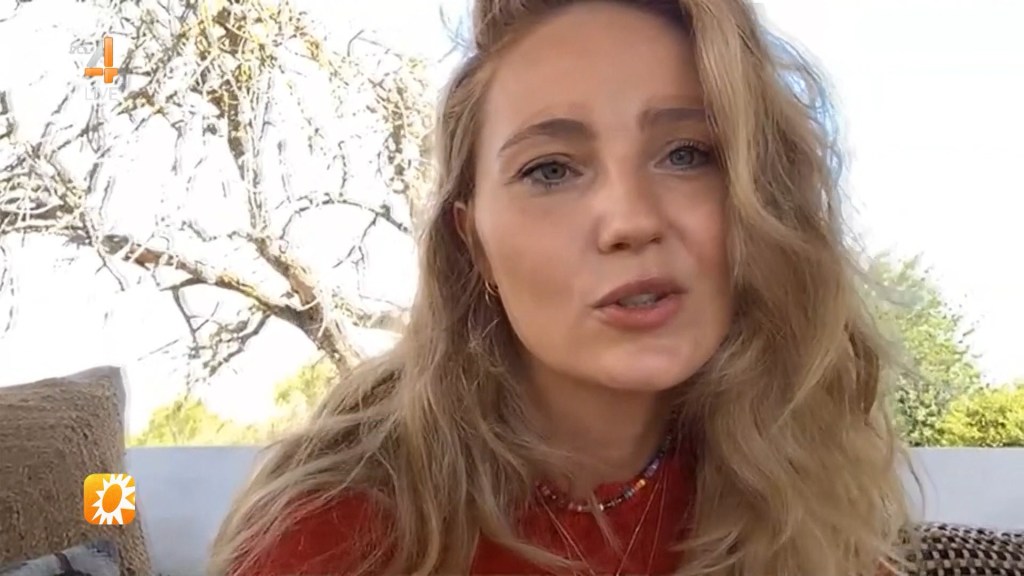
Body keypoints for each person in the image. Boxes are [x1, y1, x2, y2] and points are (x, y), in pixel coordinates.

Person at [208, 0, 915, 574]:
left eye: (686, 154)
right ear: (474, 245)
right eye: (551, 170)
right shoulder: (339, 539)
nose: (632, 221)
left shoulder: (797, 501)